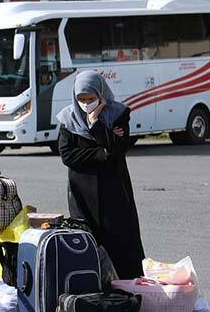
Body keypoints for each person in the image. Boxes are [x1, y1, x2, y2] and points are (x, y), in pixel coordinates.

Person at [55, 70, 145, 279]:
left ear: (101, 94)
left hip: (114, 189)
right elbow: (68, 155)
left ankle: (127, 290)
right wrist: (103, 152)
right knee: (88, 242)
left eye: (91, 99)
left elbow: (119, 148)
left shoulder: (118, 113)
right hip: (81, 193)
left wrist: (95, 123)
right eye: (82, 99)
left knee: (121, 241)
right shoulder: (68, 118)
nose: (86, 103)